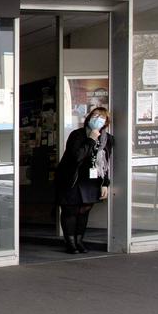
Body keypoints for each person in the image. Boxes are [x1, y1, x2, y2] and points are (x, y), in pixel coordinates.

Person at [55, 107, 113, 254]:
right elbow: (77, 156)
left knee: (84, 210)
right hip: (72, 178)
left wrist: (105, 183)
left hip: (91, 180)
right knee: (70, 210)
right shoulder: (77, 135)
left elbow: (106, 164)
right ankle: (71, 243)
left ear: (106, 122)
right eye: (95, 115)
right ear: (89, 118)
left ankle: (80, 241)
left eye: (102, 117)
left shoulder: (108, 139)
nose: (97, 118)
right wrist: (91, 139)